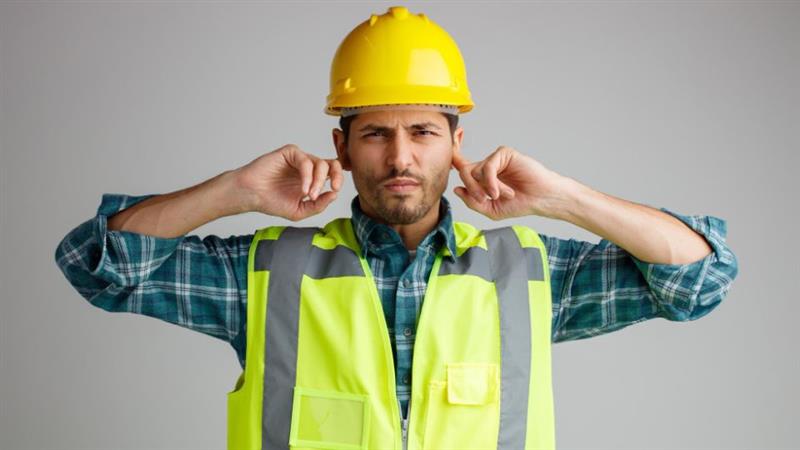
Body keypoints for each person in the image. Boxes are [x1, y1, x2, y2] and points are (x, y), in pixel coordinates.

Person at [54, 6, 738, 450]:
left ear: (456, 142)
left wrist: (561, 197)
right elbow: (97, 264)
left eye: (423, 132)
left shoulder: (530, 274)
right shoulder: (264, 273)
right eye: (377, 133)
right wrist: (232, 192)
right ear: (343, 146)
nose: (402, 157)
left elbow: (699, 278)